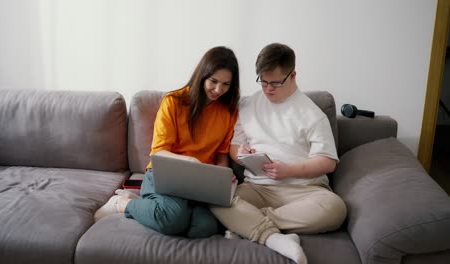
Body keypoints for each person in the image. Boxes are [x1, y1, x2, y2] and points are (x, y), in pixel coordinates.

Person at [210, 43, 347, 264]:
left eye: (275, 82)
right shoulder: (247, 105)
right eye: (263, 81)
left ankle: (250, 222)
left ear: (292, 75)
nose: (268, 89)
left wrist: (288, 170)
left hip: (305, 191)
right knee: (216, 198)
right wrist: (242, 153)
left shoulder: (313, 114)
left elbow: (328, 162)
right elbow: (234, 148)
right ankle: (273, 236)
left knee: (335, 209)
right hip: (258, 188)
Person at [94, 46, 240, 239]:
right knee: (172, 220)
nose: (218, 90)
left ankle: (152, 206)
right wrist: (187, 161)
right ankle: (122, 204)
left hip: (198, 183)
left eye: (225, 84)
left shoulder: (228, 111)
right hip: (164, 173)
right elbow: (159, 153)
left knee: (204, 228)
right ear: (202, 75)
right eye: (213, 81)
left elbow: (221, 154)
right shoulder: (174, 101)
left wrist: (223, 174)